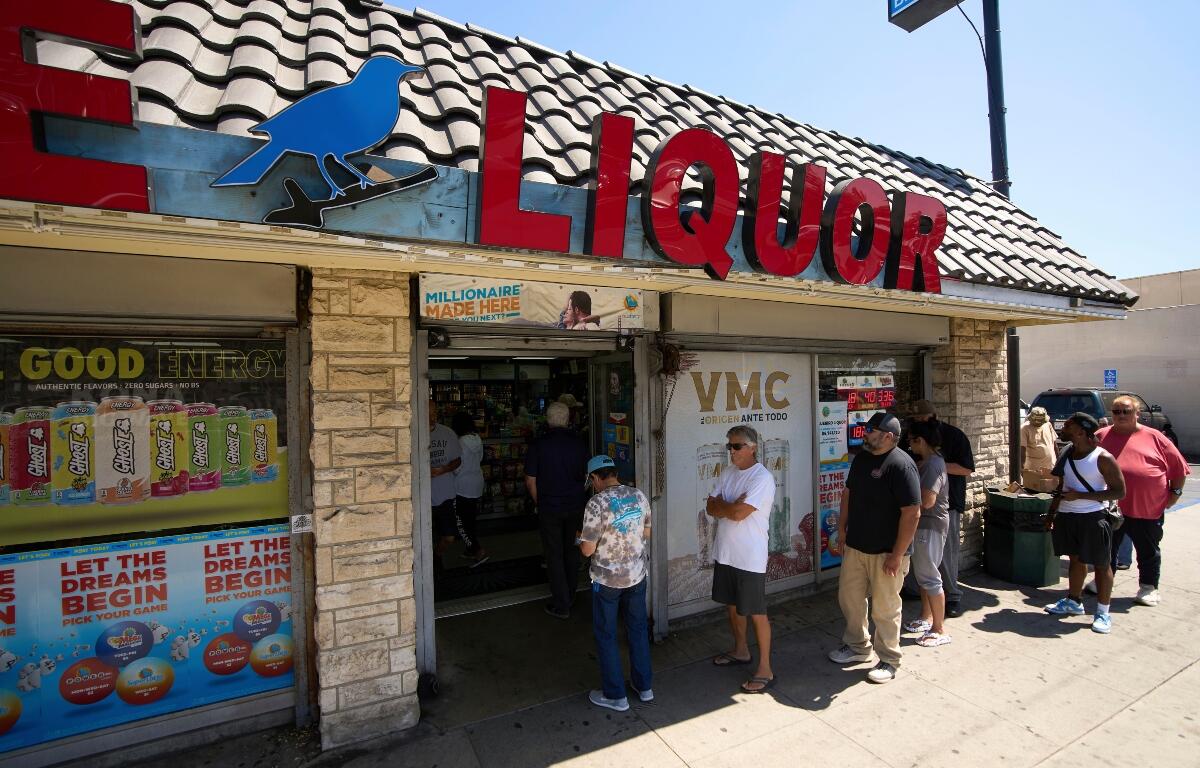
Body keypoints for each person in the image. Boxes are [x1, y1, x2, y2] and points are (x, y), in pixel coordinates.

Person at [827, 412, 921, 684]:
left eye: (870, 429)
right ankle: (858, 646)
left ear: (889, 436)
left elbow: (912, 513)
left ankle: (890, 659)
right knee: (850, 599)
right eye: (865, 428)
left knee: (885, 608)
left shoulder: (902, 465)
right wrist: (842, 530)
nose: (864, 433)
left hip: (887, 553)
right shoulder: (862, 459)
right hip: (857, 546)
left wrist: (897, 554)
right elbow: (848, 494)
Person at [1088, 395, 1189, 607]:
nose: (1121, 415)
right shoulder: (1100, 436)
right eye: (1116, 411)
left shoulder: (1156, 438)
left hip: (1147, 507)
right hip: (1110, 508)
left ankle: (1148, 587)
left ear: (1137, 414)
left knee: (1148, 550)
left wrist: (1175, 494)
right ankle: (1103, 581)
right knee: (1106, 548)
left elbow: (1179, 469)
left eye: (1126, 411)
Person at [706, 425, 777, 694]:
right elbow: (711, 507)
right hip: (726, 551)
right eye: (729, 446)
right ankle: (741, 650)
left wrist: (727, 506)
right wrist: (730, 505)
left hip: (749, 556)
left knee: (756, 611)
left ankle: (765, 668)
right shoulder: (728, 473)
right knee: (732, 605)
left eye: (736, 446)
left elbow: (737, 514)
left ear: (752, 447)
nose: (731, 451)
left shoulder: (762, 478)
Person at [579, 455, 653, 712]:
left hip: (606, 580)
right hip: (636, 575)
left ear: (595, 478)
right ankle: (644, 688)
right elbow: (646, 533)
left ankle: (615, 696)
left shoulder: (596, 503)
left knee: (607, 634)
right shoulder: (638, 495)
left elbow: (588, 550)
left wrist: (582, 539)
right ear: (614, 474)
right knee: (637, 629)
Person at [1043, 413, 1125, 634]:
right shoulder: (1068, 452)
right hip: (1068, 516)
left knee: (1101, 564)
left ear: (1081, 432)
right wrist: (1051, 514)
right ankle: (1073, 600)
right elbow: (1061, 486)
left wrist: (1081, 496)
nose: (1063, 427)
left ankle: (1103, 612)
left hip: (1093, 517)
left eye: (1069, 426)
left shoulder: (1103, 458)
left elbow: (1119, 491)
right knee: (1075, 560)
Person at [907, 400, 974, 618]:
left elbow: (966, 468)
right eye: (916, 419)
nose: (919, 423)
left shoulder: (953, 437)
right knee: (923, 559)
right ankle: (922, 597)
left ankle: (952, 596)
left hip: (946, 504)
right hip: (921, 509)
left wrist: (932, 464)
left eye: (923, 419)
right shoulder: (914, 443)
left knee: (946, 555)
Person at [525, 401, 590, 618]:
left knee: (553, 554)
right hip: (575, 507)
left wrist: (539, 503)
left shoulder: (538, 444)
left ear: (548, 419)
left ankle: (561, 604)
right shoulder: (579, 443)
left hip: (550, 508)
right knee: (572, 551)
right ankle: (569, 595)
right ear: (568, 419)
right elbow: (587, 477)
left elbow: (530, 480)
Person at [903, 419, 951, 648]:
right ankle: (926, 616)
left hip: (929, 526)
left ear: (920, 441)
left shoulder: (933, 465)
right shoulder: (929, 462)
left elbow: (928, 500)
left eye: (911, 441)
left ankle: (939, 628)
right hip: (924, 526)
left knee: (930, 576)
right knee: (923, 575)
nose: (909, 446)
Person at [451, 410, 489, 568]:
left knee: (461, 523)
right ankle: (469, 549)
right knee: (470, 519)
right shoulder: (477, 438)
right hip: (477, 482)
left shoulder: (459, 442)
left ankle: (478, 551)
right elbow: (479, 459)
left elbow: (457, 466)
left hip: (462, 486)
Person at [428, 403, 462, 570]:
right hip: (422, 497)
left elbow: (458, 460)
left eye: (434, 411)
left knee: (449, 536)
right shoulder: (412, 432)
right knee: (424, 536)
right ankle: (429, 565)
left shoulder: (448, 433)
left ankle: (437, 555)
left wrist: (444, 469)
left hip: (445, 495)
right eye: (428, 412)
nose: (432, 415)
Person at [1020, 406, 1058, 491]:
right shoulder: (1024, 428)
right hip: (1035, 470)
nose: (1039, 424)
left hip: (1050, 467)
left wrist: (1059, 461)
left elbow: (1054, 443)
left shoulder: (1048, 424)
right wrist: (1022, 470)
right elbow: (1022, 450)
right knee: (1035, 492)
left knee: (1052, 492)